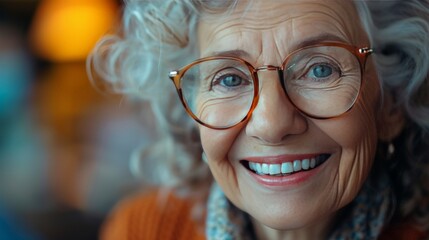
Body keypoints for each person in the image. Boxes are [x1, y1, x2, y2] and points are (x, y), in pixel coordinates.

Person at [88, 0, 429, 239]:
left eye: (320, 69)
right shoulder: (142, 232)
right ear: (193, 114)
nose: (272, 124)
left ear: (391, 105)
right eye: (229, 79)